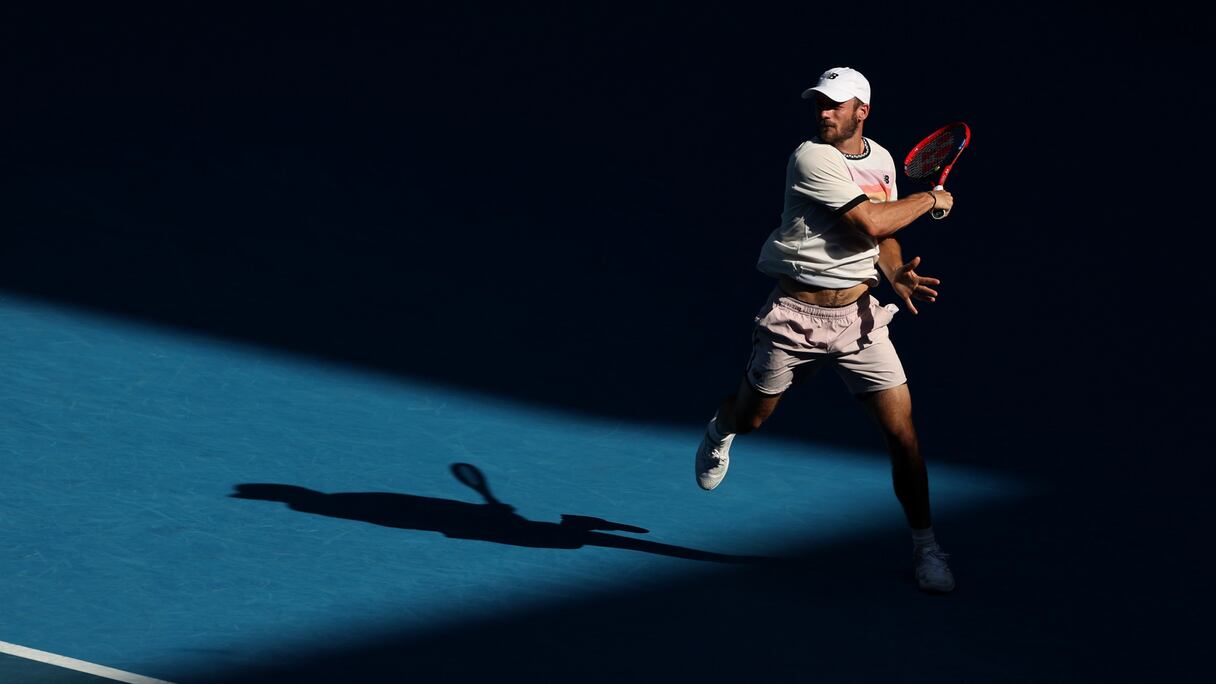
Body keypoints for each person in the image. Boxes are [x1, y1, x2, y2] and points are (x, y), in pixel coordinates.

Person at [693, 67, 956, 593]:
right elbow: (871, 222)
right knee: (753, 418)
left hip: (859, 319)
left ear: (862, 111)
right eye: (818, 103)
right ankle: (720, 430)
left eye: (834, 105)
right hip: (795, 316)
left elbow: (882, 236)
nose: (823, 112)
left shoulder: (880, 159)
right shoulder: (810, 156)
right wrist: (931, 200)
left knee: (904, 438)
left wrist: (895, 272)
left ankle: (927, 547)